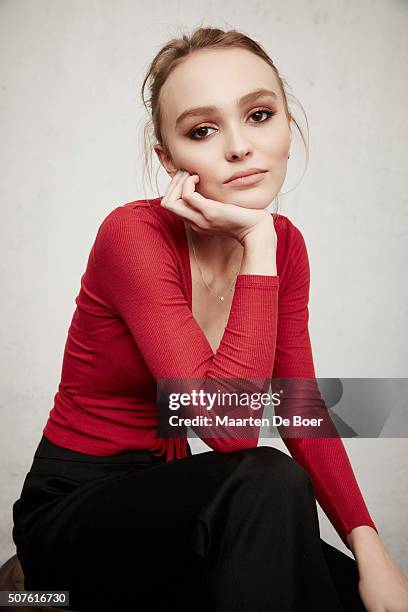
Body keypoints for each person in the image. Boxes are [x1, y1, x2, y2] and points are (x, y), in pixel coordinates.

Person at [12, 26, 408, 612]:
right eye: (202, 129)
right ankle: (35, 589)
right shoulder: (134, 237)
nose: (239, 147)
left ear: (287, 127)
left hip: (178, 497)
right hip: (75, 508)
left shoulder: (286, 247)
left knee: (346, 587)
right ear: (168, 158)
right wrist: (256, 243)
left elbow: (298, 405)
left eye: (259, 115)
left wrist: (371, 550)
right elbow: (230, 430)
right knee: (268, 480)